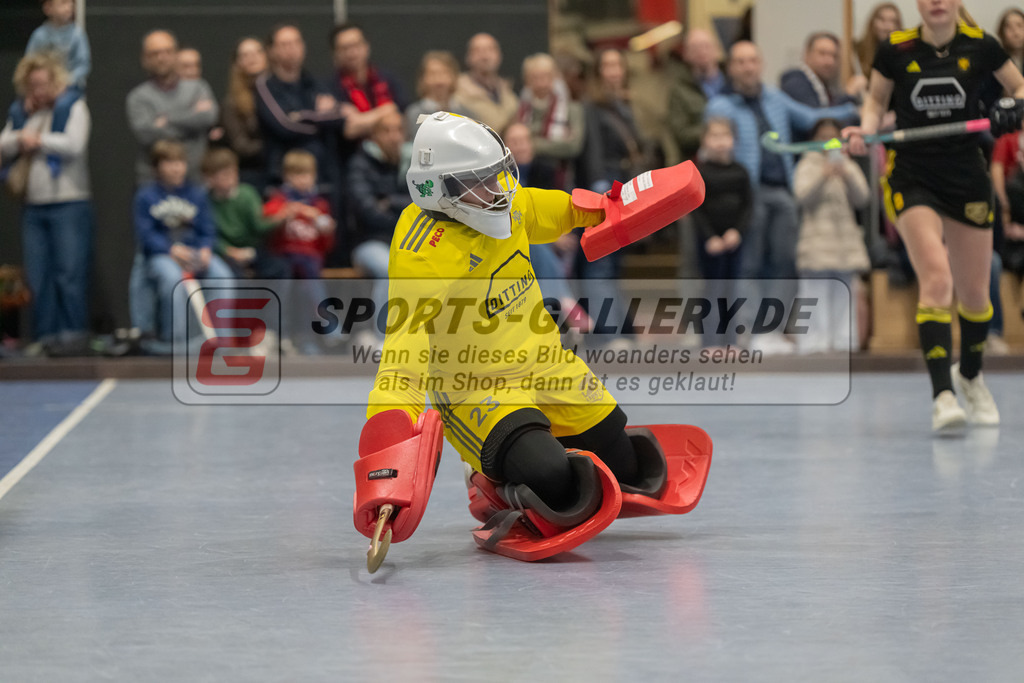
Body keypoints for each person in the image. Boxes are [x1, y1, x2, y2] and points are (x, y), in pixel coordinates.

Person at [354, 112, 711, 564]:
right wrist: (386, 468)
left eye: (502, 173)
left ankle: (536, 449)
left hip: (547, 364)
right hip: (479, 390)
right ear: (439, 191)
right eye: (483, 181)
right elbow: (401, 362)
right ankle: (490, 486)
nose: (501, 189)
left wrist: (609, 207)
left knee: (630, 470)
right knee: (555, 482)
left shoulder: (508, 201)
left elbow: (557, 210)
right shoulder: (424, 252)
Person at [843, 0, 1024, 432]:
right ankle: (943, 395)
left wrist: (1011, 107)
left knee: (976, 295)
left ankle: (971, 376)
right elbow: (874, 101)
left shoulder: (982, 45)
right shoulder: (895, 49)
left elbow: (1019, 89)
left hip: (966, 176)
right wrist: (864, 132)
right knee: (937, 278)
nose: (936, 2)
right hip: (912, 176)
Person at [705, 40, 858, 354]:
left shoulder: (777, 99)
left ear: (760, 64)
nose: (748, 67)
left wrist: (859, 109)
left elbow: (813, 117)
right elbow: (709, 152)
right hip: (746, 196)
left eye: (753, 60)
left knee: (785, 261)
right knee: (749, 263)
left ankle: (771, 330)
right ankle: (748, 332)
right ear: (731, 67)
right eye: (741, 61)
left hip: (783, 191)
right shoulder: (721, 106)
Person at [0, 52, 93, 344]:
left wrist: (39, 140)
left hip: (70, 201)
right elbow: (3, 144)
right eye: (33, 85)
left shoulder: (73, 107)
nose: (39, 91)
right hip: (34, 206)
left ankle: (73, 335)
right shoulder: (22, 113)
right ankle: (45, 337)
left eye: (43, 84)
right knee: (39, 276)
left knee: (68, 274)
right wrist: (20, 136)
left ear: (56, 82)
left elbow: (74, 145)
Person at [133, 140, 232, 344]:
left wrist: (205, 249)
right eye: (169, 163)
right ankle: (177, 341)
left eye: (180, 162)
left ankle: (223, 341)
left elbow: (207, 229)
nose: (176, 168)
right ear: (157, 167)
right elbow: (145, 234)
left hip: (195, 253)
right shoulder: (145, 196)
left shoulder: (197, 194)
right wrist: (170, 249)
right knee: (172, 279)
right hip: (162, 256)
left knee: (223, 275)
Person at [792, 119, 870, 353]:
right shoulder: (808, 164)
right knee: (814, 294)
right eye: (822, 136)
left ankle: (844, 342)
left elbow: (863, 198)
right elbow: (802, 196)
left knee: (844, 293)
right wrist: (823, 175)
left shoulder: (847, 165)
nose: (828, 141)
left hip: (844, 241)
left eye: (833, 136)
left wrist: (845, 173)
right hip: (816, 240)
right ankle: (814, 344)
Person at [255, 24, 347, 186]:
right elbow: (284, 126)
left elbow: (340, 116)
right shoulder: (266, 85)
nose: (292, 49)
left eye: (296, 43)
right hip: (286, 175)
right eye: (285, 45)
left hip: (325, 172)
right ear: (271, 50)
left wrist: (302, 116)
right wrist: (322, 120)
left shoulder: (315, 83)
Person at [263, 149, 335, 353]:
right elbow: (267, 225)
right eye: (297, 174)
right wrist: (285, 215)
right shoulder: (280, 201)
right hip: (286, 259)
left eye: (307, 174)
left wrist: (326, 229)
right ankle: (281, 335)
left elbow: (326, 245)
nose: (302, 180)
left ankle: (309, 338)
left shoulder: (319, 205)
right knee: (285, 287)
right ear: (287, 177)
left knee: (308, 289)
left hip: (310, 263)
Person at [126, 30, 219, 183]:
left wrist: (166, 120)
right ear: (144, 59)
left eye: (167, 52)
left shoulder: (198, 88)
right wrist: (190, 119)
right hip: (153, 185)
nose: (162, 58)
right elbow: (146, 134)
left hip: (195, 181)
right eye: (154, 54)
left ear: (177, 55)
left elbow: (207, 117)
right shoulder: (138, 97)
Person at [689, 118, 751, 348]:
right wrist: (710, 237)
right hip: (710, 242)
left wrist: (737, 231)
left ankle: (730, 341)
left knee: (732, 289)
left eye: (725, 136)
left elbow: (748, 206)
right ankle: (710, 342)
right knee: (712, 290)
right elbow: (696, 210)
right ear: (704, 141)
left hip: (734, 240)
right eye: (714, 136)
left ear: (734, 140)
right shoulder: (700, 173)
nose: (720, 142)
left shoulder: (740, 172)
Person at [201, 148, 288, 280]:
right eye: (224, 175)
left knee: (280, 268)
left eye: (234, 172)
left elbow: (259, 226)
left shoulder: (247, 194)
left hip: (252, 249)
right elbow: (209, 233)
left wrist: (280, 219)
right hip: (225, 252)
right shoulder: (206, 201)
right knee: (233, 274)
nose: (231, 178)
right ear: (210, 178)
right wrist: (228, 251)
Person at [516, 53, 585, 191]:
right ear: (527, 81)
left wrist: (533, 144)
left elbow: (573, 146)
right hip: (527, 179)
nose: (541, 82)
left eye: (546, 76)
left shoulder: (571, 109)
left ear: (554, 78)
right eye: (535, 77)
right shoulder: (519, 110)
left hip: (561, 179)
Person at [667, 28, 724, 162]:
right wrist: (712, 131)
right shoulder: (679, 91)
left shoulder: (732, 84)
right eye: (695, 48)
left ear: (717, 50)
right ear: (686, 54)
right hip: (700, 164)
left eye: (706, 46)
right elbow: (681, 136)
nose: (702, 51)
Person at [220, 37, 268, 191]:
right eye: (245, 55)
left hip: (285, 165)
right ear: (237, 63)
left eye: (257, 52)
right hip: (252, 169)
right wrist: (271, 147)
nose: (252, 58)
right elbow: (240, 145)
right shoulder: (232, 102)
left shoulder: (279, 91)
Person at [455, 33, 519, 133]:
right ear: (468, 57)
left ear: (499, 56)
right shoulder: (457, 93)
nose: (485, 56)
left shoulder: (509, 94)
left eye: (490, 50)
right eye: (478, 51)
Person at [781, 32, 860, 112]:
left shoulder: (824, 84)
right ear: (807, 55)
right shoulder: (796, 82)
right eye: (822, 54)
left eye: (834, 56)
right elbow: (818, 119)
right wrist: (849, 93)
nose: (829, 61)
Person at [404, 51, 472, 139]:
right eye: (432, 74)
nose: (439, 79)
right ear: (423, 79)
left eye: (444, 73)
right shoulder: (413, 113)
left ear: (453, 77)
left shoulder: (465, 114)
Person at [24, 0, 90, 91]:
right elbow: (28, 64)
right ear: (48, 8)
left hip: (69, 87)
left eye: (71, 3)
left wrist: (66, 81)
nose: (69, 7)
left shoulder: (77, 34)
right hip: (43, 88)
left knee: (61, 104)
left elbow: (83, 65)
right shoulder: (39, 35)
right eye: (63, 3)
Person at [849, 3, 903, 98]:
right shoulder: (857, 50)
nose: (887, 26)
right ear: (872, 22)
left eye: (892, 21)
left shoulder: (906, 54)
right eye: (882, 20)